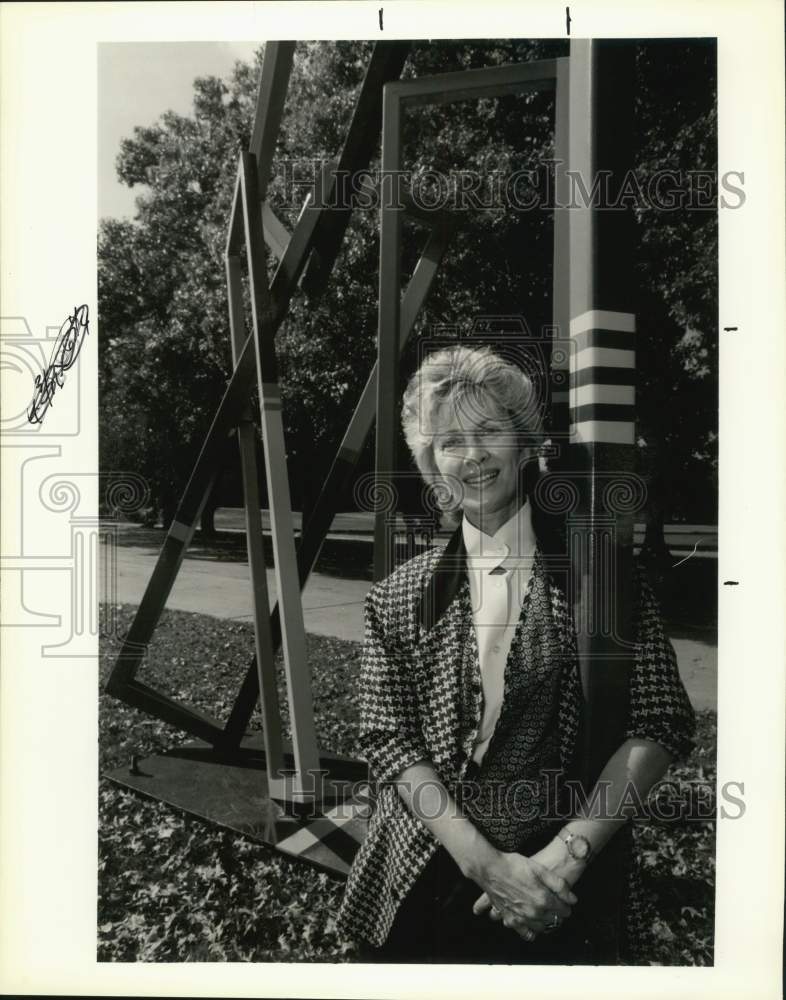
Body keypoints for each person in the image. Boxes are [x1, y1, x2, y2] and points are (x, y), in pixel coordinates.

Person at [335, 345, 696, 964]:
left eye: (487, 431)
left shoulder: (602, 578)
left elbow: (660, 723)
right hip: (428, 866)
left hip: (564, 882)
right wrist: (486, 866)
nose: (471, 455)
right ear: (431, 464)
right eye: (449, 442)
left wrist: (563, 861)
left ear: (525, 443)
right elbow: (387, 736)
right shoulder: (397, 596)